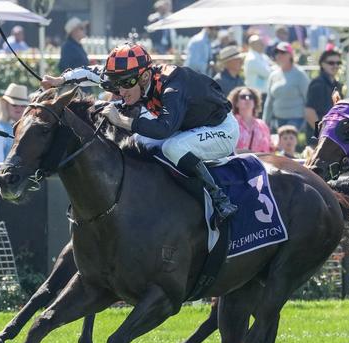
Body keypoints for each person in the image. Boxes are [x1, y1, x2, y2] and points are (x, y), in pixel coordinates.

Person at [42, 43, 239, 221]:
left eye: (125, 84)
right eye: (116, 83)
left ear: (145, 77)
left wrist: (122, 120)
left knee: (173, 148)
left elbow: (163, 129)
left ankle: (218, 198)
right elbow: (92, 73)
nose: (120, 91)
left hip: (221, 129)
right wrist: (60, 80)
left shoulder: (173, 86)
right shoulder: (129, 77)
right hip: (186, 127)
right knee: (136, 142)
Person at [262, 42, 310, 134]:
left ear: (291, 55)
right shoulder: (273, 75)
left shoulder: (300, 74)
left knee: (287, 140)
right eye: (277, 53)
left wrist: (306, 121)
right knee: (280, 146)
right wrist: (265, 122)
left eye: (283, 53)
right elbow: (269, 100)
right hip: (278, 119)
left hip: (296, 119)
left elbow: (308, 99)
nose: (279, 55)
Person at [305, 49, 343, 140]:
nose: (335, 66)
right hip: (318, 138)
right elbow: (309, 112)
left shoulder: (337, 85)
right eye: (331, 63)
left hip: (332, 137)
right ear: (322, 64)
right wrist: (321, 133)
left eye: (338, 63)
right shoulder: (317, 84)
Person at [228, 86, 271, 153]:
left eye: (250, 97)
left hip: (259, 162)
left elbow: (269, 149)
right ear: (236, 103)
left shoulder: (262, 125)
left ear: (255, 102)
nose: (247, 99)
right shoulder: (230, 123)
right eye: (243, 97)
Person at [243, 34, 272, 106]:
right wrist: (272, 69)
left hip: (263, 93)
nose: (262, 45)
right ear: (252, 44)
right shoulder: (252, 59)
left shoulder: (263, 56)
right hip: (255, 94)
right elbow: (267, 73)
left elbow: (273, 67)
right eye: (259, 43)